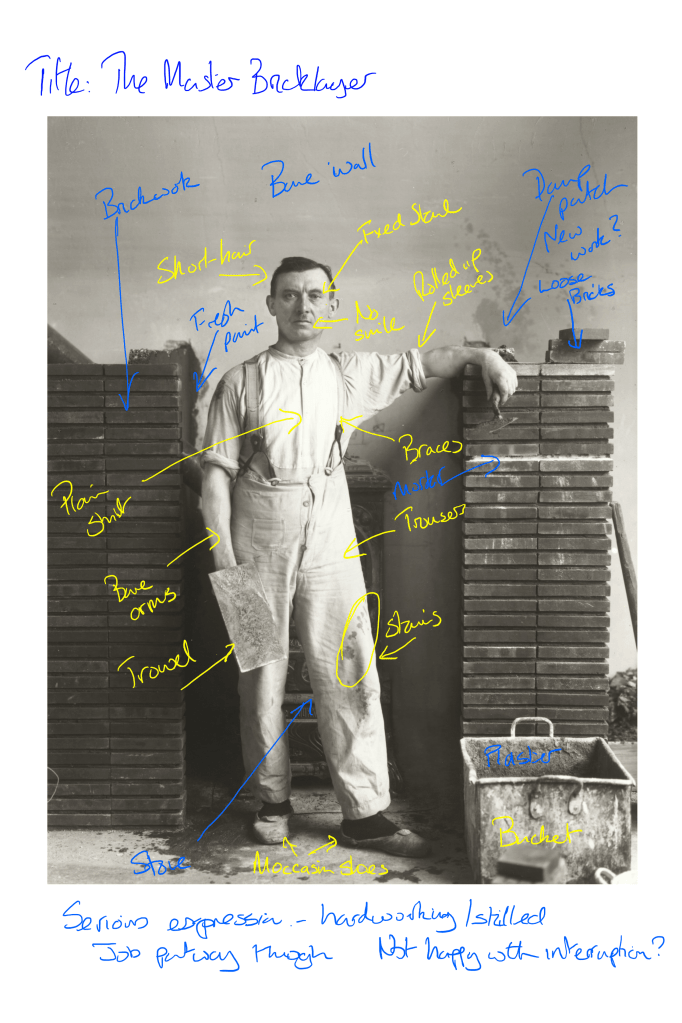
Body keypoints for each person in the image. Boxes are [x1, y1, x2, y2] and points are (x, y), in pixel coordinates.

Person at [201, 256, 518, 857]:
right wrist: (223, 558)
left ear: (331, 304)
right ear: (271, 304)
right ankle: (272, 803)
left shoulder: (348, 372)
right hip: (252, 532)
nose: (302, 306)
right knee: (258, 672)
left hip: (329, 531)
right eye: (289, 295)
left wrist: (486, 358)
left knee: (349, 662)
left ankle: (365, 814)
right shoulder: (239, 380)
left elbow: (429, 362)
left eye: (314, 295)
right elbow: (215, 473)